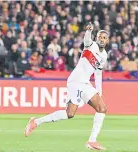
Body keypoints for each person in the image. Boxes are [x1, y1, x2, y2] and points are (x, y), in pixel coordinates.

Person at [25, 22, 108, 150]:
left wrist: (99, 91)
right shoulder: (91, 45)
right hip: (76, 81)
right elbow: (86, 39)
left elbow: (98, 73)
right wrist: (89, 31)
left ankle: (92, 141)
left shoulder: (104, 55)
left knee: (102, 108)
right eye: (100, 37)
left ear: (107, 40)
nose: (101, 39)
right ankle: (35, 122)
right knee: (69, 113)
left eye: (104, 37)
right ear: (96, 38)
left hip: (85, 83)